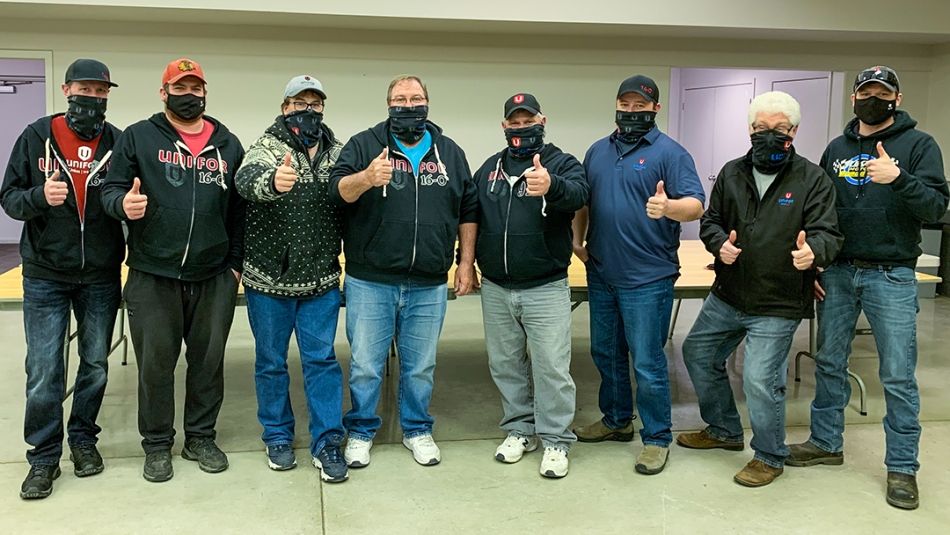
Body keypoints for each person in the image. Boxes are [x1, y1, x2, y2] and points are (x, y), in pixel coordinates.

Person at [788, 66, 949, 510]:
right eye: (865, 91)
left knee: (897, 374)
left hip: (892, 275)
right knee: (829, 362)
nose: (872, 98)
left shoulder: (920, 145)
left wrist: (898, 179)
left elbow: (937, 206)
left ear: (896, 98)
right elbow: (817, 210)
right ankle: (825, 443)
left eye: (882, 92)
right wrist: (814, 266)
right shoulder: (836, 148)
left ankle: (902, 467)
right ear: (854, 98)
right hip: (838, 271)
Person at [676, 91, 843, 488]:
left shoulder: (812, 178)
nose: (770, 135)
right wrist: (720, 244)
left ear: (794, 131)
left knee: (758, 379)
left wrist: (813, 253)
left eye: (780, 130)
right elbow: (711, 222)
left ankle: (770, 454)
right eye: (762, 128)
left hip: (778, 300)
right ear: (750, 130)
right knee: (697, 352)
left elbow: (828, 233)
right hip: (729, 293)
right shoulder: (732, 172)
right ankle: (724, 430)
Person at [100, 57, 246, 483]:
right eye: (179, 89)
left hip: (213, 275)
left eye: (195, 88)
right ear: (163, 93)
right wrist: (121, 205)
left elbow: (239, 213)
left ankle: (200, 437)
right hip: (152, 273)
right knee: (155, 365)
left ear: (205, 92)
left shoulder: (228, 144)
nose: (188, 95)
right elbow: (111, 189)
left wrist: (234, 267)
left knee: (208, 363)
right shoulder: (138, 138)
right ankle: (158, 444)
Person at [329, 74, 477, 468]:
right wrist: (365, 178)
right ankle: (361, 431)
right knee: (365, 364)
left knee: (421, 365)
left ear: (428, 102)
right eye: (399, 98)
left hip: (428, 281)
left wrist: (465, 264)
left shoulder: (450, 151)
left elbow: (468, 210)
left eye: (415, 98)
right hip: (370, 279)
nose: (408, 105)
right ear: (388, 104)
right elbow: (336, 190)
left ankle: (417, 429)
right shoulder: (364, 144)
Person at [1, 59, 124, 500]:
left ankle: (83, 440)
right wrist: (40, 195)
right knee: (44, 370)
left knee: (95, 364)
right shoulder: (36, 135)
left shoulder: (118, 140)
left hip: (101, 274)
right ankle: (43, 457)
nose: (92, 98)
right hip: (46, 275)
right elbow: (9, 198)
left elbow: (126, 195)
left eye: (101, 91)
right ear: (67, 88)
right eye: (85, 89)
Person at [571, 75, 705, 475]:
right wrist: (578, 240)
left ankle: (657, 437)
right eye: (624, 105)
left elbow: (696, 205)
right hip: (602, 272)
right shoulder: (596, 151)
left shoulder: (671, 153)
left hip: (648, 277)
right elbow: (582, 201)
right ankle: (615, 421)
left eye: (639, 106)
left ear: (655, 109)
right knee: (606, 353)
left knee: (647, 362)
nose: (631, 111)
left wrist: (669, 208)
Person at [234, 75, 347, 483]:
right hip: (269, 282)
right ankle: (278, 436)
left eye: (315, 104)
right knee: (270, 363)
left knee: (322, 362)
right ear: (285, 108)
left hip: (320, 281)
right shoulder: (266, 147)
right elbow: (245, 182)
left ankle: (328, 441)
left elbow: (349, 193)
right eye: (300, 103)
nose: (308, 111)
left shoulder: (338, 152)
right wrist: (273, 183)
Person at [473, 93, 589, 478]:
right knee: (505, 363)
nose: (522, 128)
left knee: (552, 367)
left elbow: (579, 194)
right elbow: (472, 213)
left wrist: (551, 184)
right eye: (515, 122)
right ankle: (520, 429)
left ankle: (556, 439)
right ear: (505, 126)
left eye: (529, 120)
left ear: (543, 120)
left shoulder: (561, 163)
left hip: (545, 286)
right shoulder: (490, 168)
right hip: (496, 286)